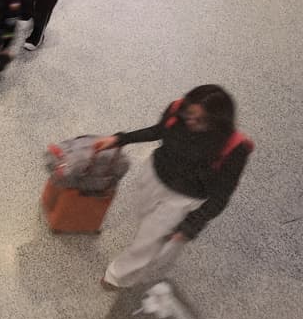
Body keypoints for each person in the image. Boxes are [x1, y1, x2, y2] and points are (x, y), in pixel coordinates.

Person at [95, 86, 253, 289]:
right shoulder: (178, 110)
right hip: (153, 176)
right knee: (143, 220)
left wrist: (191, 226)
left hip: (181, 200)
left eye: (201, 120)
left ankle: (116, 277)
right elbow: (158, 130)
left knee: (147, 243)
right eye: (190, 114)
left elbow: (221, 196)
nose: (191, 121)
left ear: (218, 122)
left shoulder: (235, 148)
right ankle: (152, 251)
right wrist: (120, 139)